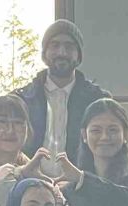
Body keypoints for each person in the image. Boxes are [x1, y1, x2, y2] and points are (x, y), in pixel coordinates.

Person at [17, 18, 112, 171]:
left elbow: (111, 150)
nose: (62, 52)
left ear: (78, 56)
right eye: (55, 45)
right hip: (30, 181)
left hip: (81, 182)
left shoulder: (98, 101)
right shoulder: (23, 100)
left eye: (69, 46)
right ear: (44, 54)